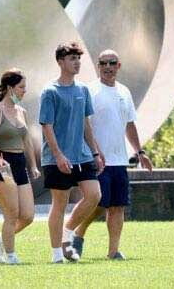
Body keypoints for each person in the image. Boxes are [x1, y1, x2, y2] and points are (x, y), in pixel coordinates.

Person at [73, 49, 153, 260]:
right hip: (97, 159)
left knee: (117, 206)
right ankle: (79, 233)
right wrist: (95, 152)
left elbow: (129, 124)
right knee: (98, 204)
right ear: (98, 66)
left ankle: (113, 251)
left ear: (119, 65)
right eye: (103, 63)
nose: (107, 67)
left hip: (119, 160)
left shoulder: (124, 92)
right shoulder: (89, 90)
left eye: (112, 63)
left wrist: (140, 152)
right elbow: (84, 124)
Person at [39, 41, 104, 263]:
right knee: (59, 204)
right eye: (72, 59)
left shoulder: (83, 90)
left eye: (78, 58)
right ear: (60, 62)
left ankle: (67, 232)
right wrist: (58, 155)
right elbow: (46, 126)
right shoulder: (49, 91)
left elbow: (86, 123)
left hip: (83, 155)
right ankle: (57, 253)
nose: (77, 63)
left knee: (95, 195)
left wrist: (95, 152)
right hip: (56, 158)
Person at [0, 68, 41, 264]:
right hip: (2, 165)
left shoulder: (22, 111)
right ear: (10, 88)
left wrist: (33, 165)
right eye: (21, 87)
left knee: (28, 215)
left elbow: (27, 141)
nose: (25, 91)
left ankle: (0, 240)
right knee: (12, 213)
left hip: (19, 163)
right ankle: (11, 255)